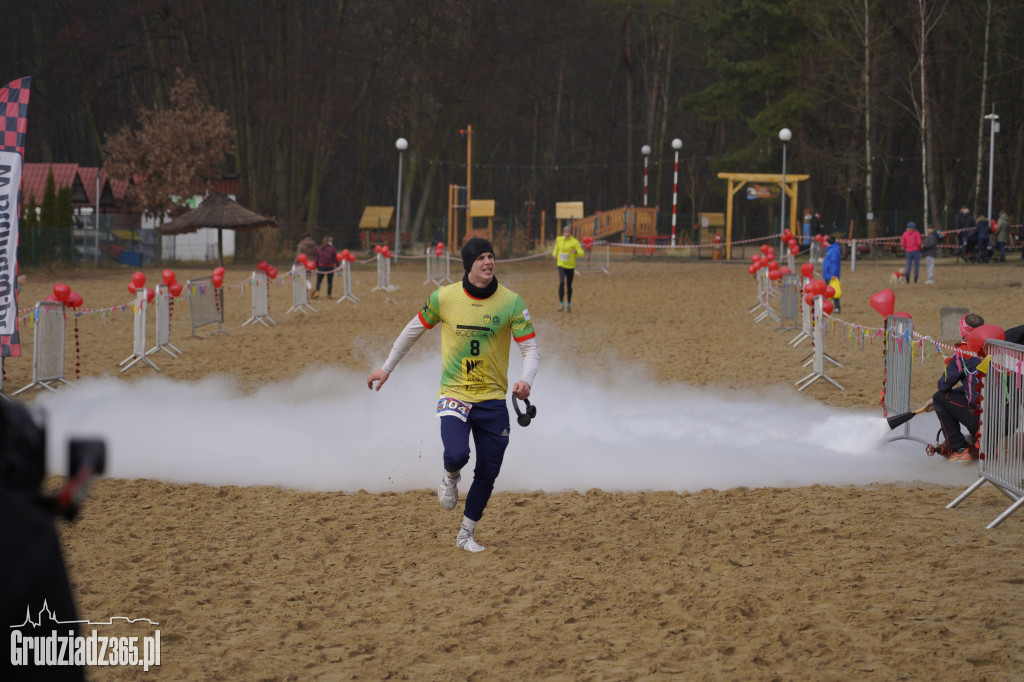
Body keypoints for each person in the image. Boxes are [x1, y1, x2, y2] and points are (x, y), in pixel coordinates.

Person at [366, 238, 539, 553]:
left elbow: (529, 348)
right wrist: (387, 367)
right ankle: (450, 476)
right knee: (457, 454)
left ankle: (465, 535)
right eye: (482, 258)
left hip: (493, 400)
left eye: (492, 256)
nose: (489, 262)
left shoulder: (511, 302)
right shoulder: (444, 297)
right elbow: (412, 330)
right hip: (455, 394)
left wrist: (525, 380)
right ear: (469, 264)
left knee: (488, 470)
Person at [923, 313, 984, 464]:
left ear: (963, 333)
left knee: (939, 397)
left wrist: (935, 398)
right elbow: (974, 384)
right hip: (1004, 418)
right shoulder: (996, 347)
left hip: (981, 418)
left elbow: (944, 384)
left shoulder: (964, 351)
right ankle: (985, 443)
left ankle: (958, 449)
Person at [552, 225, 585, 312]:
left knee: (569, 285)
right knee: (562, 282)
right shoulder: (559, 239)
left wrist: (576, 252)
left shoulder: (574, 242)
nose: (566, 234)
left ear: (570, 233)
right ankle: (561, 304)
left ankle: (569, 304)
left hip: (570, 266)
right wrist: (554, 254)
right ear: (563, 233)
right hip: (561, 264)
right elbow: (556, 248)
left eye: (568, 232)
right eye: (565, 232)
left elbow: (582, 253)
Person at [821, 234, 842, 313]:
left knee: (833, 291)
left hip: (831, 275)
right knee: (828, 291)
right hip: (828, 274)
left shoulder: (833, 250)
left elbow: (834, 263)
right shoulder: (832, 250)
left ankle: (836, 307)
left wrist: (833, 274)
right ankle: (829, 307)